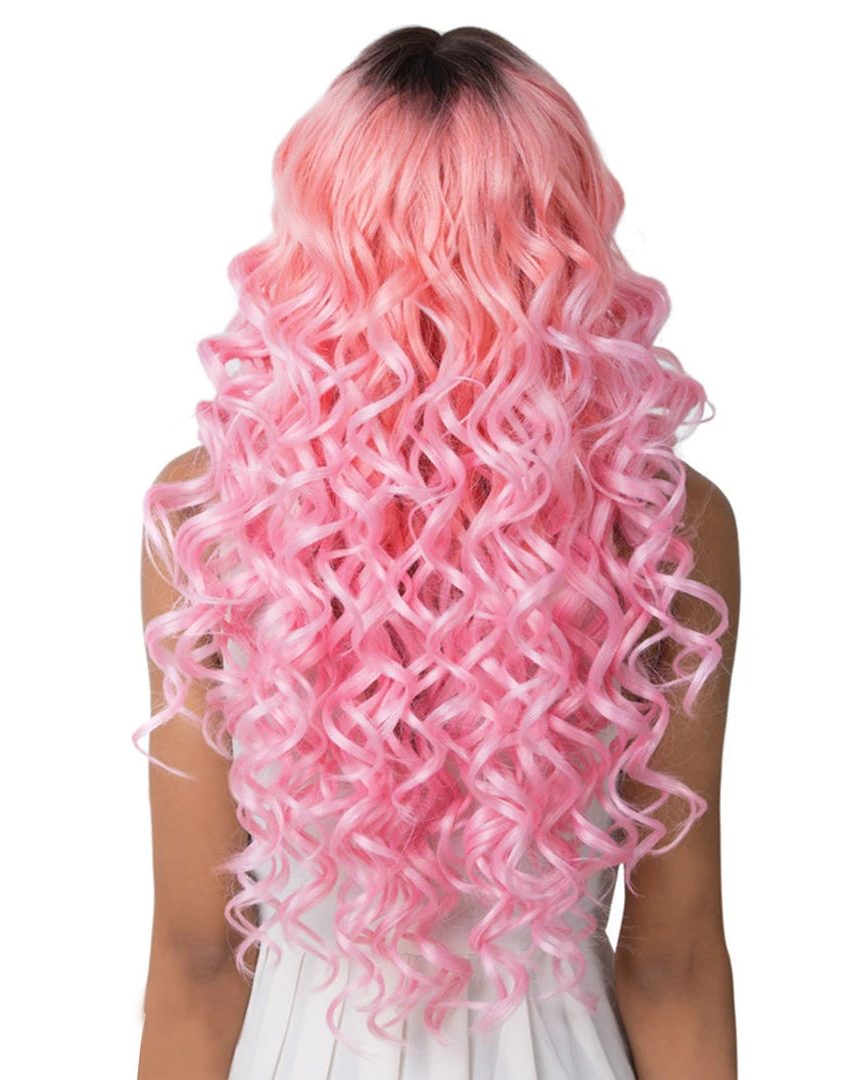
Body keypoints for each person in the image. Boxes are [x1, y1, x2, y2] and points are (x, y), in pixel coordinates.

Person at [134, 25, 740, 1080]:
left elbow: (198, 959)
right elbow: (670, 966)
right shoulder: (662, 521)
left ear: (319, 240)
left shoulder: (218, 514)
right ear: (565, 237)